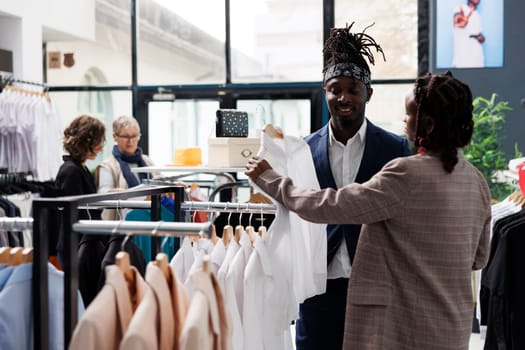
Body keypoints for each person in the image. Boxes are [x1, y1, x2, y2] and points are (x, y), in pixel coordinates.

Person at [245, 71, 491, 349]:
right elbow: (479, 258)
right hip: (452, 327)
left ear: (428, 124)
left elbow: (333, 206)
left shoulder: (406, 174)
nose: (404, 121)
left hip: (405, 323)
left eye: (409, 114)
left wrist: (271, 179)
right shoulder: (476, 181)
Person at [297, 23, 411, 349]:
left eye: (353, 89)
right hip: (318, 286)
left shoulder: (395, 148)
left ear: (368, 93)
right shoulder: (304, 149)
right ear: (325, 92)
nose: (343, 97)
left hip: (376, 285)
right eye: (335, 88)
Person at [54, 115, 107, 306]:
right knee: (81, 299)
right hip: (74, 244)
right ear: (87, 142)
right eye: (99, 142)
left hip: (82, 242)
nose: (101, 147)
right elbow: (74, 213)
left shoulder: (80, 168)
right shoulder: (71, 171)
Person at [97, 115, 154, 195]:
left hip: (150, 207)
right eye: (126, 136)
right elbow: (102, 192)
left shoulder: (147, 161)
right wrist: (119, 193)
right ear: (115, 137)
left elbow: (160, 183)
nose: (130, 141)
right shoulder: (108, 165)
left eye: (134, 136)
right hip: (124, 207)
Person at [453, 0, 485, 68]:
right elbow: (458, 23)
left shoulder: (477, 14)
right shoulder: (460, 9)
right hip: (463, 52)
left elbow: (478, 34)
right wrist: (464, 20)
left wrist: (481, 38)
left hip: (476, 53)